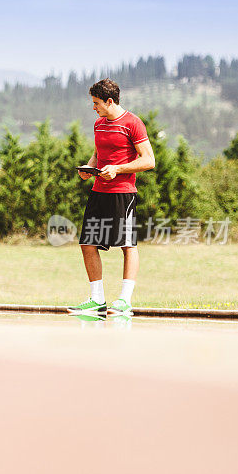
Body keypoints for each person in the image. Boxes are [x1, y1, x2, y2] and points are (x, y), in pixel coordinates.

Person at [70, 79, 155, 318]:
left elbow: (149, 160)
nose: (93, 107)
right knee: (87, 243)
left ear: (110, 101)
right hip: (99, 192)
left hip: (123, 193)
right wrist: (89, 168)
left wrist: (118, 169)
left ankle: (124, 302)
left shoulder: (133, 123)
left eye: (96, 103)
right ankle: (97, 300)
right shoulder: (99, 124)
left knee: (127, 245)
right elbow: (99, 154)